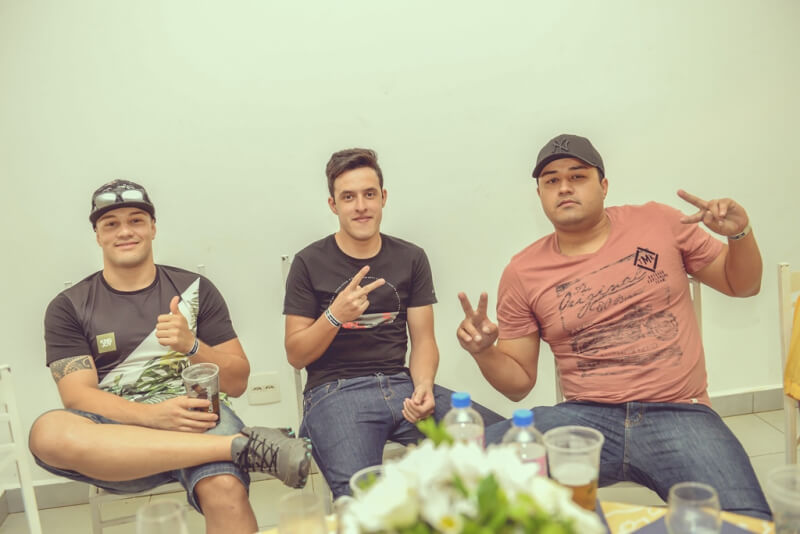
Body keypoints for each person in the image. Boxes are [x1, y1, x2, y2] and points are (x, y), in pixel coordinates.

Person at [456, 134, 771, 519]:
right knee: (460, 482)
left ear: (604, 186)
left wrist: (739, 234)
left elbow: (744, 285)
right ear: (539, 194)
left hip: (678, 412)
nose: (564, 187)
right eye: (551, 181)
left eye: (578, 176)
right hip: (582, 417)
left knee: (746, 521)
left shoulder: (659, 222)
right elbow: (518, 383)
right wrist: (484, 352)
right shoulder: (523, 272)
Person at [29, 180, 312, 534]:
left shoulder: (195, 289)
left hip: (197, 420)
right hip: (120, 440)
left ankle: (232, 447)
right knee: (47, 432)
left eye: (136, 220)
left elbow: (238, 382)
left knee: (225, 488)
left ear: (153, 227)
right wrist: (153, 416)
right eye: (111, 224)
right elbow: (77, 396)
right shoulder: (68, 306)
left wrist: (192, 345)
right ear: (97, 235)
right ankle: (241, 447)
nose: (125, 231)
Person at [284, 148, 503, 498]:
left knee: (507, 452)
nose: (361, 206)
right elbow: (296, 355)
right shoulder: (308, 262)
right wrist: (334, 316)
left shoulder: (410, 257)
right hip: (335, 392)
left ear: (383, 198)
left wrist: (424, 386)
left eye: (369, 194)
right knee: (364, 497)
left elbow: (424, 341)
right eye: (348, 197)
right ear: (333, 205)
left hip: (402, 386)